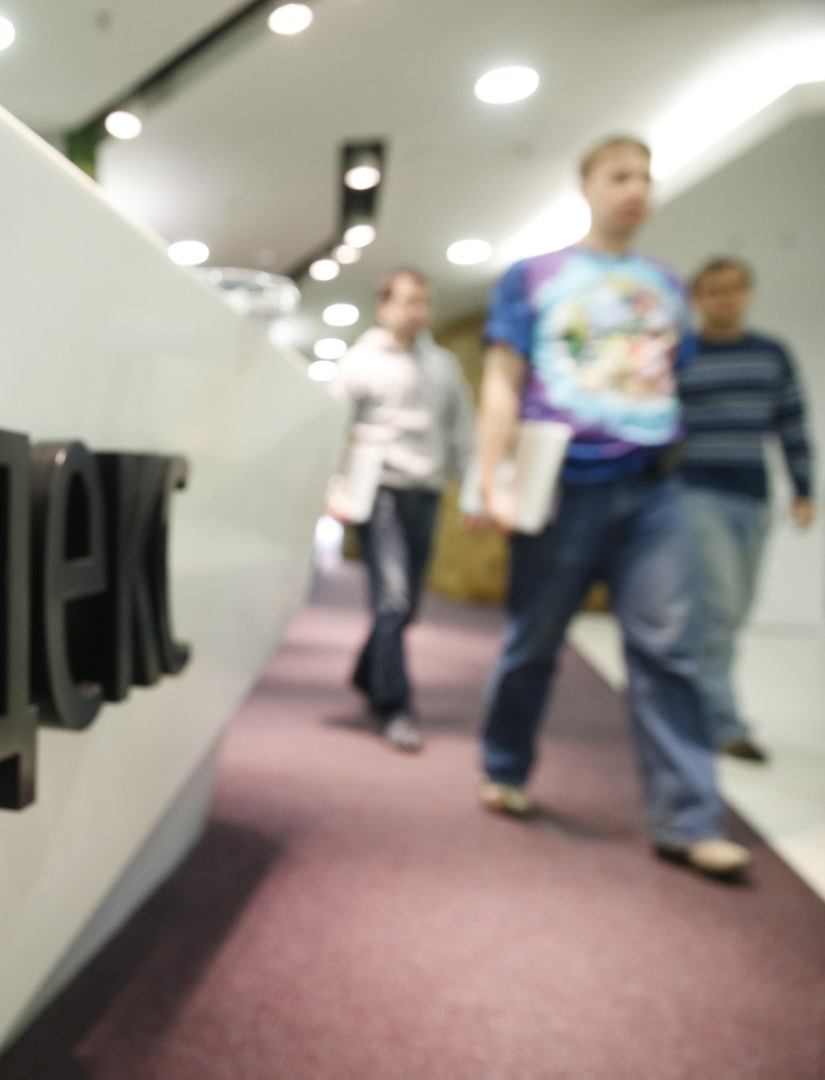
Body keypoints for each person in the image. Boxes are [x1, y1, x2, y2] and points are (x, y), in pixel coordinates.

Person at [471, 135, 750, 880]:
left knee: (669, 651)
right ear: (588, 187)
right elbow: (502, 380)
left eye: (645, 178)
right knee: (534, 640)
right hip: (564, 484)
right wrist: (491, 482)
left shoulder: (665, 285)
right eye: (619, 175)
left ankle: (689, 821)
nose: (634, 189)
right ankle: (504, 766)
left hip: (656, 488)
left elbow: (667, 375)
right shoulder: (534, 277)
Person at [328, 268, 474, 752]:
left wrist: (472, 491)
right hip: (380, 492)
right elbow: (333, 429)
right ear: (385, 306)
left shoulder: (443, 366)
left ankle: (366, 673)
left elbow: (462, 432)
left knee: (406, 607)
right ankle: (394, 707)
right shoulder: (360, 362)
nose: (418, 312)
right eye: (409, 301)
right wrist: (334, 490)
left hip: (426, 492)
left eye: (424, 302)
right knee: (391, 600)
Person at [679, 257, 814, 763]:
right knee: (719, 606)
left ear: (748, 293)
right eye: (713, 290)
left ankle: (692, 698)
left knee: (735, 610)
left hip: (752, 496)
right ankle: (723, 724)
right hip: (695, 492)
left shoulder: (771, 355)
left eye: (733, 288)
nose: (724, 298)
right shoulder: (681, 354)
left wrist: (803, 489)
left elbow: (792, 423)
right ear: (698, 299)